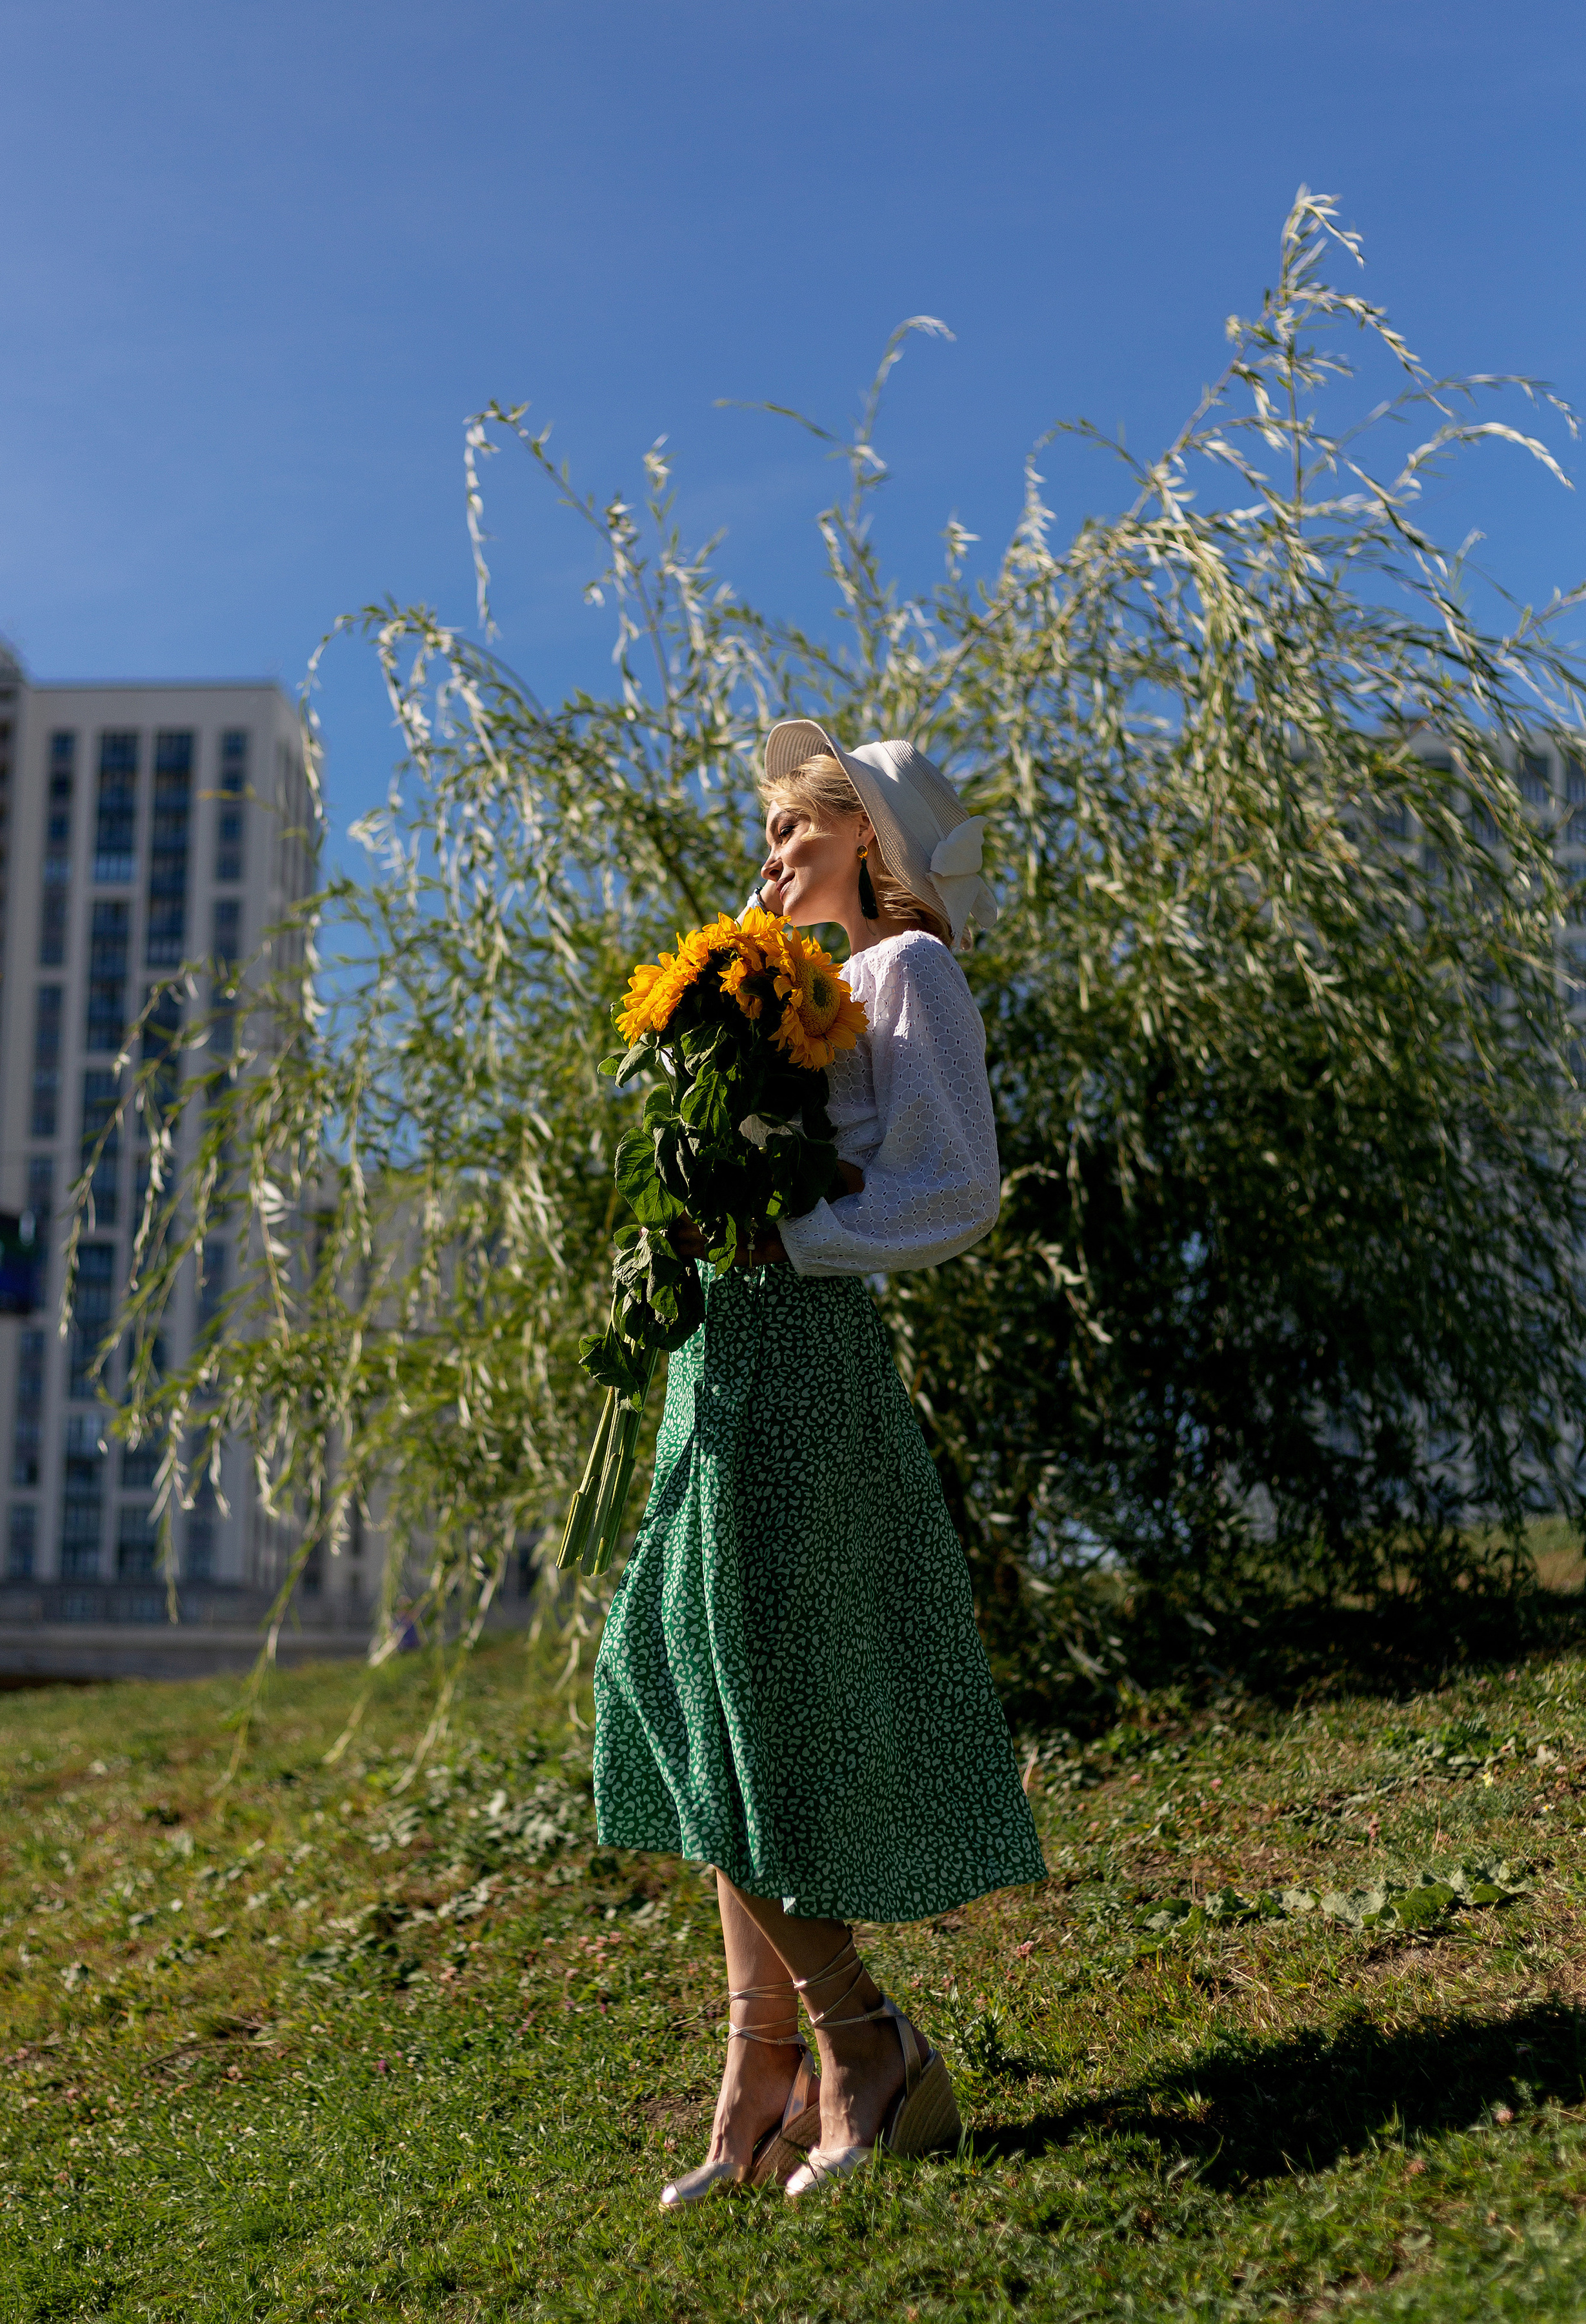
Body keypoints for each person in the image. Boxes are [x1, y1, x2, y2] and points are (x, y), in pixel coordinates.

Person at [592, 717, 1046, 2203]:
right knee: (689, 1670)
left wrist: (787, 1226)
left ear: (875, 846)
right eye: (776, 826)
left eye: (806, 825)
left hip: (798, 1350)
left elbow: (954, 1186)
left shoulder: (900, 975)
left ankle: (863, 2047)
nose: (777, 847)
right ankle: (760, 2065)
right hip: (714, 1345)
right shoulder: (756, 982)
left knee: (726, 1674)